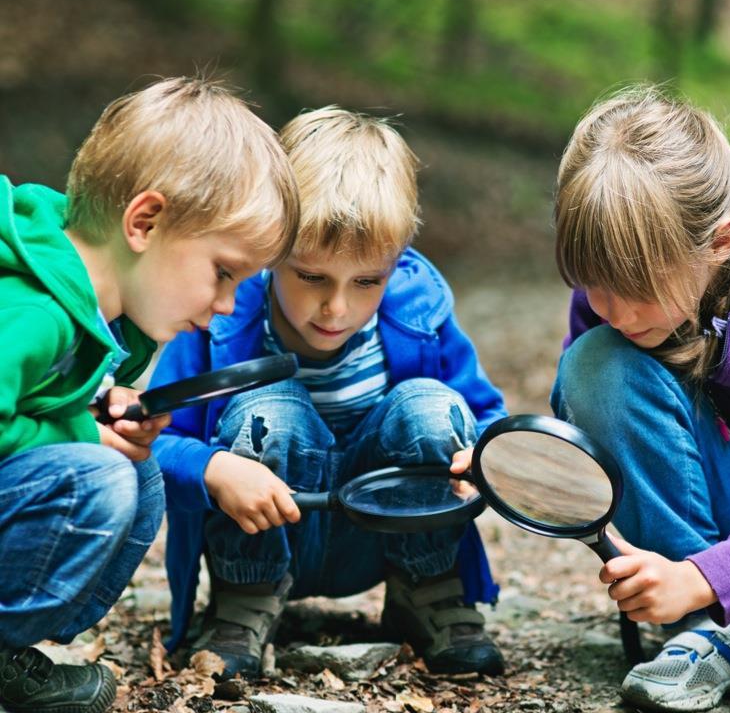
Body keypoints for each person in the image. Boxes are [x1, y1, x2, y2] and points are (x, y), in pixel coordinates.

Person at [152, 106, 507, 682]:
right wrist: (214, 468)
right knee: (270, 406)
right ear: (270, 251)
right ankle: (244, 604)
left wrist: (485, 457)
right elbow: (156, 445)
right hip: (266, 529)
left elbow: (487, 417)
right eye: (311, 277)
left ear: (395, 263)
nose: (337, 308)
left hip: (381, 534)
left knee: (430, 405)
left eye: (367, 281)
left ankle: (428, 590)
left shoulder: (419, 314)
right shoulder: (222, 320)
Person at [0, 76, 298, 713]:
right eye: (223, 272)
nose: (227, 305)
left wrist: (98, 411)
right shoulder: (31, 312)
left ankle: (5, 653)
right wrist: (78, 433)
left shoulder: (107, 324)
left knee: (138, 478)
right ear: (144, 222)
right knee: (96, 478)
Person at [549, 85, 730, 713]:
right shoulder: (615, 290)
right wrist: (526, 465)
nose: (612, 309)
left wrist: (706, 577)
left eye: (636, 289)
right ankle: (717, 632)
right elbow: (603, 430)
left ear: (721, 240)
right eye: (594, 284)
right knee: (598, 365)